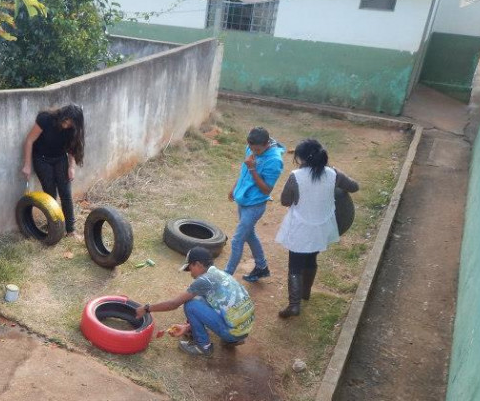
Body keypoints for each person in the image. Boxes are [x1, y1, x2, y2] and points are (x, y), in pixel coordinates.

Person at [275, 139, 359, 318]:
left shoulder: (296, 176)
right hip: (322, 227)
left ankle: (294, 305)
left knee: (295, 266)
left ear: (303, 159)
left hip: (301, 228)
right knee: (311, 258)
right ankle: (306, 292)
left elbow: (285, 201)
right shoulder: (333, 173)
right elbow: (354, 186)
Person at [135, 247, 255, 357]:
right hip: (244, 329)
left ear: (197, 264)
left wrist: (146, 308)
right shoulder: (220, 274)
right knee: (201, 299)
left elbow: (173, 304)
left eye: (190, 268)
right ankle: (228, 337)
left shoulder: (204, 280)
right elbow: (216, 304)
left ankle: (203, 346)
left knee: (191, 304)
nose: (190, 273)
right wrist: (188, 326)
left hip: (233, 332)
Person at [225, 127, 285, 282]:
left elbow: (266, 190)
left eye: (257, 149)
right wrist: (234, 188)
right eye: (251, 148)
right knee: (249, 235)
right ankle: (261, 267)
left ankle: (225, 277)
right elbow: (243, 172)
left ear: (266, 144)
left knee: (237, 240)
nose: (253, 152)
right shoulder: (251, 147)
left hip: (255, 205)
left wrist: (252, 169)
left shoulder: (275, 161)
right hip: (243, 200)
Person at [20, 104, 85, 238]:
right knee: (50, 195)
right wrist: (27, 164)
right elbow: (29, 141)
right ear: (62, 115)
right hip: (42, 160)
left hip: (60, 159)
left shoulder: (73, 128)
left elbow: (72, 149)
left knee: (65, 193)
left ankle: (71, 230)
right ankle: (54, 227)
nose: (67, 125)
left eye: (71, 123)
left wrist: (71, 167)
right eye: (66, 121)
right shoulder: (45, 119)